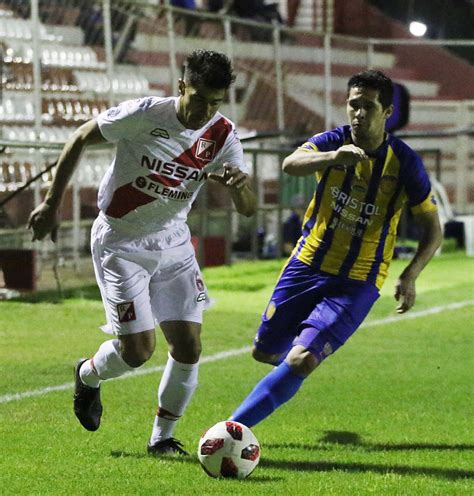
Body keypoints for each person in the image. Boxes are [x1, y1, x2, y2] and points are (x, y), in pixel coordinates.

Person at [28, 49, 257, 455]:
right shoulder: (145, 114)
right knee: (138, 352)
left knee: (189, 346)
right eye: (199, 98)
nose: (205, 110)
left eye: (215, 102)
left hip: (173, 242)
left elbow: (249, 208)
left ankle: (162, 439)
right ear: (182, 86)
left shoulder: (223, 135)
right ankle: (88, 374)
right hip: (120, 242)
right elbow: (81, 136)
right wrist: (50, 203)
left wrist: (240, 188)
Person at [229, 70, 442, 429]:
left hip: (359, 280)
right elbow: (290, 163)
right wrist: (332, 158)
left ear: (387, 111)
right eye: (353, 105)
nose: (359, 114)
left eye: (368, 107)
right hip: (307, 264)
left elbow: (432, 228)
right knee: (264, 353)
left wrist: (410, 275)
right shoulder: (334, 141)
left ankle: (230, 431)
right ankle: (298, 352)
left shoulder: (405, 163)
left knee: (301, 361)